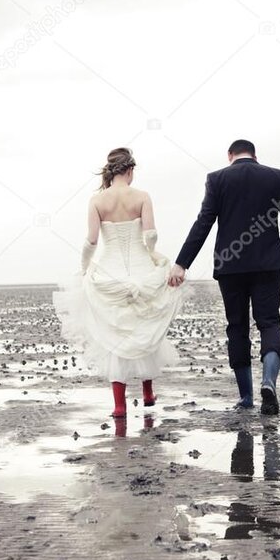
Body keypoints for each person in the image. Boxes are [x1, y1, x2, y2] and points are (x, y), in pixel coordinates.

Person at [53, 147, 185, 419]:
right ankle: (148, 392)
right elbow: (150, 237)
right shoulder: (142, 197)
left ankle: (119, 405)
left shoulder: (97, 201)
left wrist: (85, 269)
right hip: (140, 268)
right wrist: (155, 257)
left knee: (116, 335)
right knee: (145, 329)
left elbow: (91, 241)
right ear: (130, 170)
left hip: (110, 271)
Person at [169, 139, 280, 415]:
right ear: (255, 154)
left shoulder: (217, 179)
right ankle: (268, 381)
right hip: (268, 265)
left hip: (231, 266)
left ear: (230, 155)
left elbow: (203, 222)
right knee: (269, 323)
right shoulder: (276, 177)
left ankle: (246, 398)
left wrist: (182, 263)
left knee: (237, 327)